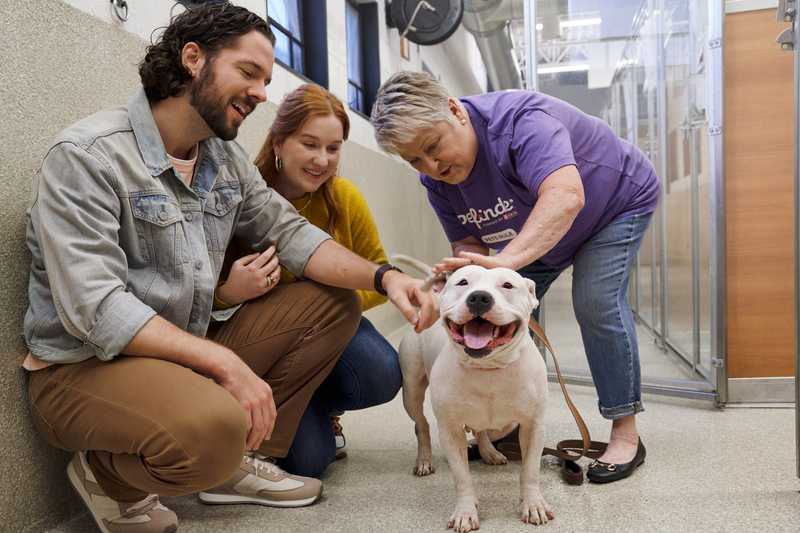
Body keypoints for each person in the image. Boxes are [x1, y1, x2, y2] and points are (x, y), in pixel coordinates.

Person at [22, 5, 435, 533]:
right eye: (249, 72)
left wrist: (386, 277)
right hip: (82, 369)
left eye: (265, 80)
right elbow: (96, 307)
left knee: (333, 301)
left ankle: (231, 465)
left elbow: (292, 235)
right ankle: (111, 477)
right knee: (216, 426)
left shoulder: (223, 159)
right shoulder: (87, 156)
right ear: (193, 58)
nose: (263, 92)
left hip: (178, 355)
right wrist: (227, 366)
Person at [370, 71, 660, 484]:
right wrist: (452, 291)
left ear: (455, 110)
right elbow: (469, 251)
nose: (431, 166)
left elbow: (565, 197)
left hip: (612, 206)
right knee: (502, 310)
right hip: (533, 232)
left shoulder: (521, 121)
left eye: (433, 147)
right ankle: (512, 418)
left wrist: (504, 265)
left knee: (595, 301)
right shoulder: (437, 182)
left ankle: (624, 431)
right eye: (415, 160)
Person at [214, 83, 401, 477]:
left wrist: (323, 294)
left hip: (332, 327)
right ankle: (288, 415)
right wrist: (231, 293)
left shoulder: (344, 197)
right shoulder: (242, 197)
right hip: (258, 342)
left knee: (382, 370)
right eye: (310, 144)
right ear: (279, 142)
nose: (322, 159)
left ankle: (320, 402)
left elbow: (375, 273)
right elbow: (198, 298)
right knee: (309, 462)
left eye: (333, 148)